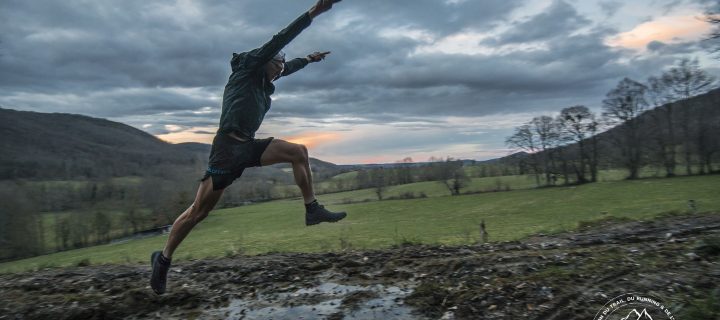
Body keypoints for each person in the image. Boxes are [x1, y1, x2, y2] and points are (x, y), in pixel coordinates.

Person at [150, 0, 346, 295]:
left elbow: (287, 66)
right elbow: (280, 41)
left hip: (249, 147)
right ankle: (163, 260)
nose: (281, 67)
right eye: (278, 62)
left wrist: (308, 59)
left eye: (282, 65)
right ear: (266, 60)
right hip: (227, 150)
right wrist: (314, 13)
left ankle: (312, 209)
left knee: (298, 151)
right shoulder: (248, 67)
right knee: (198, 212)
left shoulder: (267, 77)